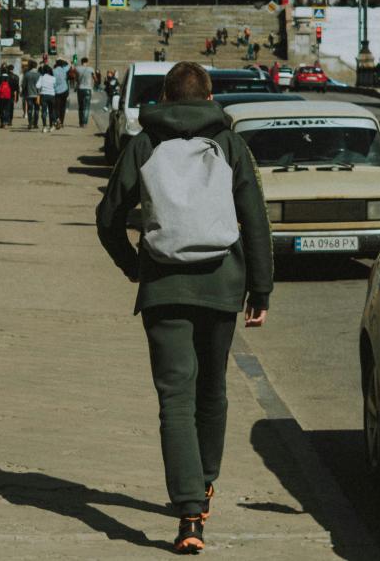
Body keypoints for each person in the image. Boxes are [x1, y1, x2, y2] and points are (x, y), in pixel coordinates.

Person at [96, 61, 272, 555]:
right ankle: (206, 481)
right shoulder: (231, 145)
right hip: (222, 285)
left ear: (167, 98)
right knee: (212, 390)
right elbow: (255, 220)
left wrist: (134, 265)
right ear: (208, 95)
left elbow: (107, 217)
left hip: (163, 288)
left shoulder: (144, 143)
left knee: (174, 398)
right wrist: (261, 291)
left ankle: (189, 515)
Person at [75, 57, 97, 127]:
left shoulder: (77, 69)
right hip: (88, 89)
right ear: (87, 62)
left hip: (80, 89)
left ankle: (81, 123)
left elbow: (76, 79)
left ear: (81, 62)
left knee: (81, 106)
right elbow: (95, 79)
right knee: (86, 107)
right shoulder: (90, 69)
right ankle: (85, 123)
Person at [21, 60, 42, 130]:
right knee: (37, 109)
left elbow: (23, 85)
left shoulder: (27, 74)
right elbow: (40, 85)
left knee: (30, 109)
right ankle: (35, 124)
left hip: (29, 94)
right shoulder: (39, 74)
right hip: (37, 95)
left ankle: (30, 123)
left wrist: (23, 91)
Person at [53, 58, 72, 130]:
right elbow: (69, 65)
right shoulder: (64, 69)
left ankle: (57, 120)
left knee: (56, 107)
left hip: (56, 91)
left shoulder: (53, 71)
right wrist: (66, 60)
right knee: (63, 107)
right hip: (65, 90)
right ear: (62, 65)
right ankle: (62, 122)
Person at [37, 64, 57, 133]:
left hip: (44, 96)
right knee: (51, 111)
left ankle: (44, 127)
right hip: (52, 96)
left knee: (44, 111)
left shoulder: (41, 77)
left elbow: (37, 86)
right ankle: (52, 126)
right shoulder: (53, 78)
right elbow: (55, 87)